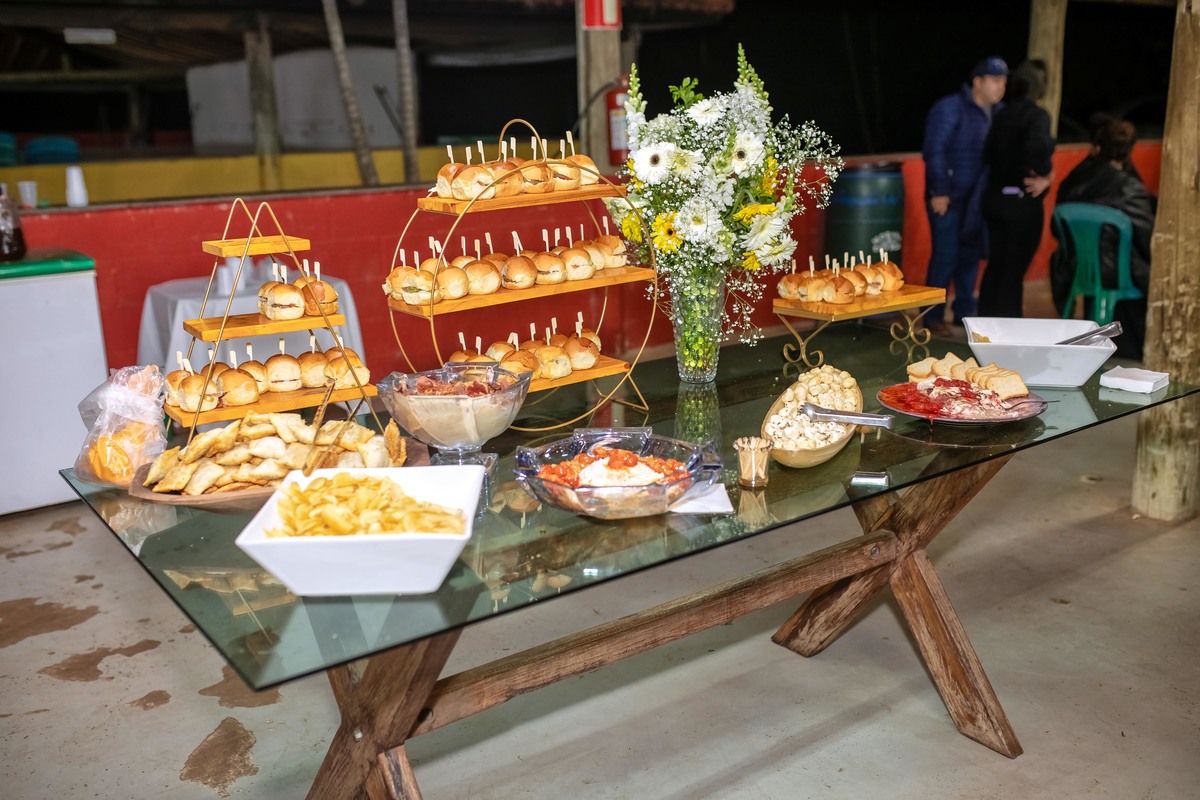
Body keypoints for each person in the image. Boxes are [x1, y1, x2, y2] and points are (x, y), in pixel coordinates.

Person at [1052, 117, 1156, 359]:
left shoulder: (1072, 180)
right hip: (1120, 276)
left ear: (1097, 147)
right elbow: (1148, 239)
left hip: (1077, 269)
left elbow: (1057, 231)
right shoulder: (1129, 188)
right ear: (1129, 151)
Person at [921, 56, 1008, 334]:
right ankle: (932, 316)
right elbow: (935, 150)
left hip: (978, 199)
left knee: (970, 255)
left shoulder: (1000, 113)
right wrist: (939, 191)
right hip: (948, 198)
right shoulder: (949, 108)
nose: (1001, 87)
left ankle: (965, 313)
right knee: (945, 255)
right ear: (977, 82)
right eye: (995, 80)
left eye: (1004, 81)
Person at [978, 59, 1056, 318]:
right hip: (1021, 203)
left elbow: (988, 154)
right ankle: (1008, 329)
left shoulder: (1001, 113)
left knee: (997, 267)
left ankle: (982, 327)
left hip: (995, 199)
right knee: (1013, 272)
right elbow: (1038, 154)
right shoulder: (1037, 116)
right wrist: (1046, 174)